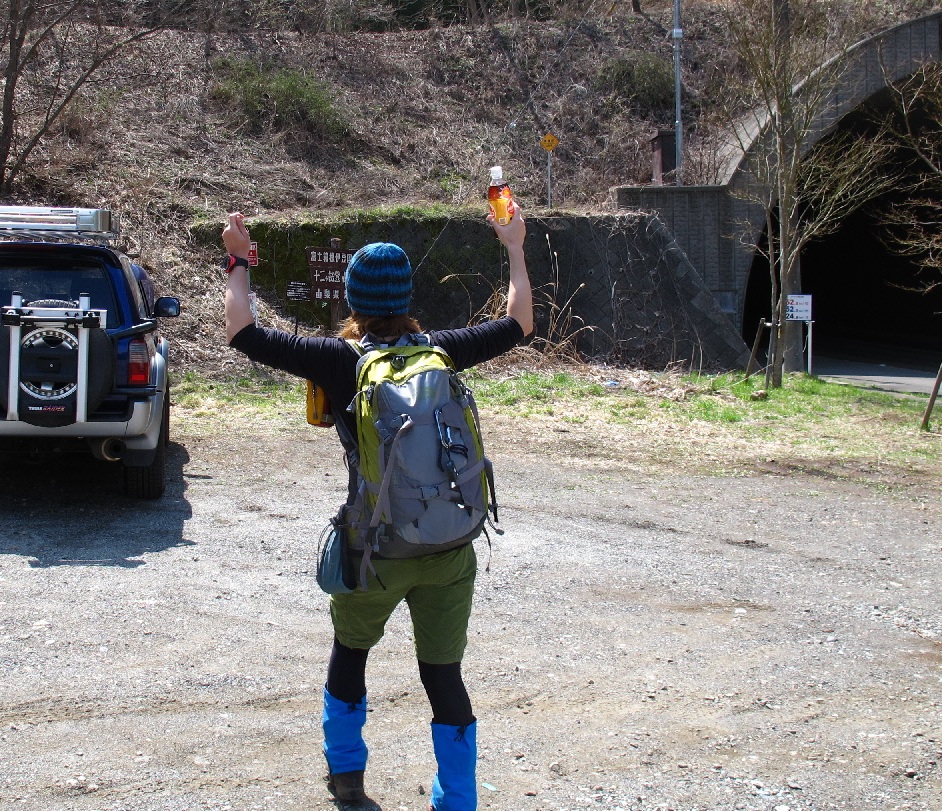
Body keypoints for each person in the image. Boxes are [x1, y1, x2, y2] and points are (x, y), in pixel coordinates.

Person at [221, 207, 533, 810]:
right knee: (444, 677)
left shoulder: (338, 360)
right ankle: (457, 800)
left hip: (375, 551)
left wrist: (238, 260)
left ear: (352, 298)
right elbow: (520, 321)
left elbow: (241, 332)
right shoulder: (441, 351)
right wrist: (514, 246)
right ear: (407, 296)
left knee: (351, 657)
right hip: (448, 548)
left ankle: (348, 782)